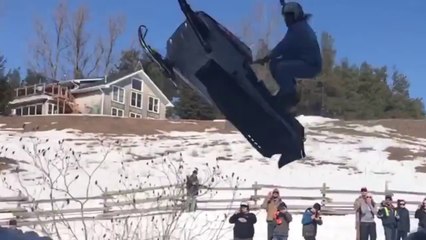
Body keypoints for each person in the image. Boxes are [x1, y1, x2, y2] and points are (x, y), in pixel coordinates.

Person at [254, 0, 322, 112]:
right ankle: (288, 90)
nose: (285, 20)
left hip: (310, 64)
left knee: (281, 67)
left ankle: (289, 95)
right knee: (275, 64)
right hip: (302, 59)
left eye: (288, 17)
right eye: (285, 17)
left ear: (295, 16)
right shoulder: (298, 25)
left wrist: (267, 57)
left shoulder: (298, 29)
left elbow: (283, 46)